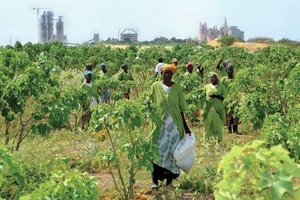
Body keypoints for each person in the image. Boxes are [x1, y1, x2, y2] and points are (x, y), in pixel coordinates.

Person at [149, 63, 191, 190]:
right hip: (159, 127)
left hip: (174, 128)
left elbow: (181, 108)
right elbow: (148, 103)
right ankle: (154, 182)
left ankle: (169, 182)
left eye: (169, 73)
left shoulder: (177, 88)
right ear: (161, 74)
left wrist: (186, 127)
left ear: (173, 74)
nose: (167, 75)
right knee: (157, 152)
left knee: (173, 154)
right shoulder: (155, 86)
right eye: (165, 73)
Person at [202, 72, 227, 143]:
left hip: (217, 110)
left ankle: (218, 142)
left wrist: (215, 95)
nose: (213, 78)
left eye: (215, 77)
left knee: (218, 128)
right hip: (208, 110)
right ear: (210, 78)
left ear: (217, 78)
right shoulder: (206, 87)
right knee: (207, 127)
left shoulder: (221, 87)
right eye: (212, 77)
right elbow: (202, 97)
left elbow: (224, 97)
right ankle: (206, 142)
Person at [220, 64, 241, 134]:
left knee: (235, 114)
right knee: (228, 115)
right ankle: (229, 130)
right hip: (227, 99)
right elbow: (221, 89)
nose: (230, 71)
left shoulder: (236, 79)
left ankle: (235, 130)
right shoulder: (223, 79)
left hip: (235, 98)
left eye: (231, 70)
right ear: (226, 70)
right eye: (229, 69)